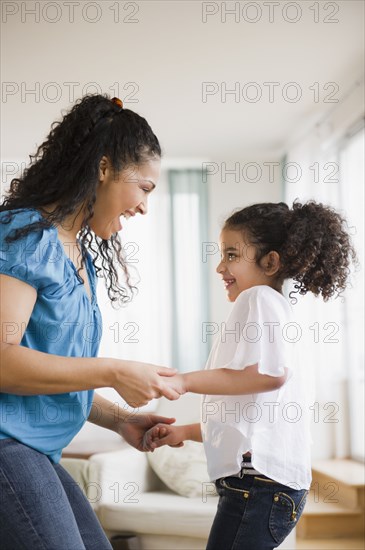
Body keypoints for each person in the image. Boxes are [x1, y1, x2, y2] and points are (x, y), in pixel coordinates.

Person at [0, 94, 181, 549]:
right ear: (103, 169)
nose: (144, 206)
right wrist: (115, 370)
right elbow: (3, 361)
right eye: (144, 188)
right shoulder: (27, 235)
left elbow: (51, 370)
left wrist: (120, 420)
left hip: (34, 449)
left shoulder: (79, 255)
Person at [143, 201, 357, 550]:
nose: (219, 267)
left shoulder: (258, 298)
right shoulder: (274, 309)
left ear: (270, 262)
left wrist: (182, 381)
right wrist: (183, 431)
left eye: (231, 255)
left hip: (258, 489)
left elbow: (270, 376)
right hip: (268, 489)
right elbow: (249, 418)